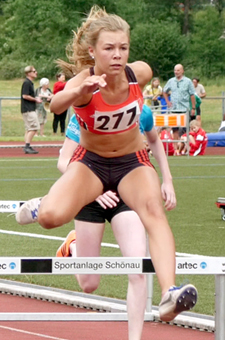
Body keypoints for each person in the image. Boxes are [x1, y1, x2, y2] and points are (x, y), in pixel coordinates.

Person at [30, 5, 196, 327]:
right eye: (109, 48)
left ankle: (169, 293)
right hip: (91, 164)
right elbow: (56, 105)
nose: (117, 55)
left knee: (154, 211)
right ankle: (43, 211)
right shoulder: (85, 79)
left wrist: (167, 179)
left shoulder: (140, 73)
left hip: (131, 162)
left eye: (123, 48)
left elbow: (152, 134)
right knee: (51, 217)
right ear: (93, 51)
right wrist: (78, 91)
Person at [16, 110, 149, 340]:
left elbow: (153, 143)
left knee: (137, 270)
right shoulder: (84, 113)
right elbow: (63, 161)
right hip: (90, 194)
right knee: (89, 284)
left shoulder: (137, 110)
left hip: (125, 195)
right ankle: (72, 245)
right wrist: (94, 189)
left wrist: (164, 180)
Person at [163, 64, 196, 144]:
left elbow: (192, 94)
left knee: (185, 129)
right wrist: (167, 101)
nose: (176, 72)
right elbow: (164, 91)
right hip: (174, 109)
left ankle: (184, 147)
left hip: (184, 108)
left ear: (182, 71)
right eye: (175, 70)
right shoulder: (171, 81)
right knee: (174, 129)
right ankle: (176, 149)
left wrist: (193, 108)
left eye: (178, 70)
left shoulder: (188, 81)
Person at [21, 65, 42, 154]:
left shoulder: (29, 83)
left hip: (27, 109)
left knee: (29, 128)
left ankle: (27, 145)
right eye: (34, 71)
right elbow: (25, 95)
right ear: (29, 73)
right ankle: (27, 146)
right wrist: (35, 99)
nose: (36, 72)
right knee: (34, 127)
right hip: (28, 109)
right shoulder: (27, 83)